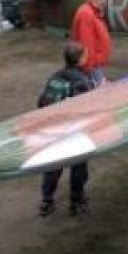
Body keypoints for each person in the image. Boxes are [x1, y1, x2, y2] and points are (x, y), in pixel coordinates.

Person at [38, 42, 95, 216]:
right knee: (78, 167)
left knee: (53, 168)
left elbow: (41, 102)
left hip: (52, 130)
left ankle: (46, 202)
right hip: (72, 131)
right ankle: (77, 202)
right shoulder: (81, 80)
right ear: (80, 59)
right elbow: (89, 105)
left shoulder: (55, 76)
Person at [71, 0, 112, 87]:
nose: (103, 1)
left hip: (95, 64)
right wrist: (93, 74)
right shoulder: (86, 14)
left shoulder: (94, 12)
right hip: (92, 66)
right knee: (100, 93)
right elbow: (86, 46)